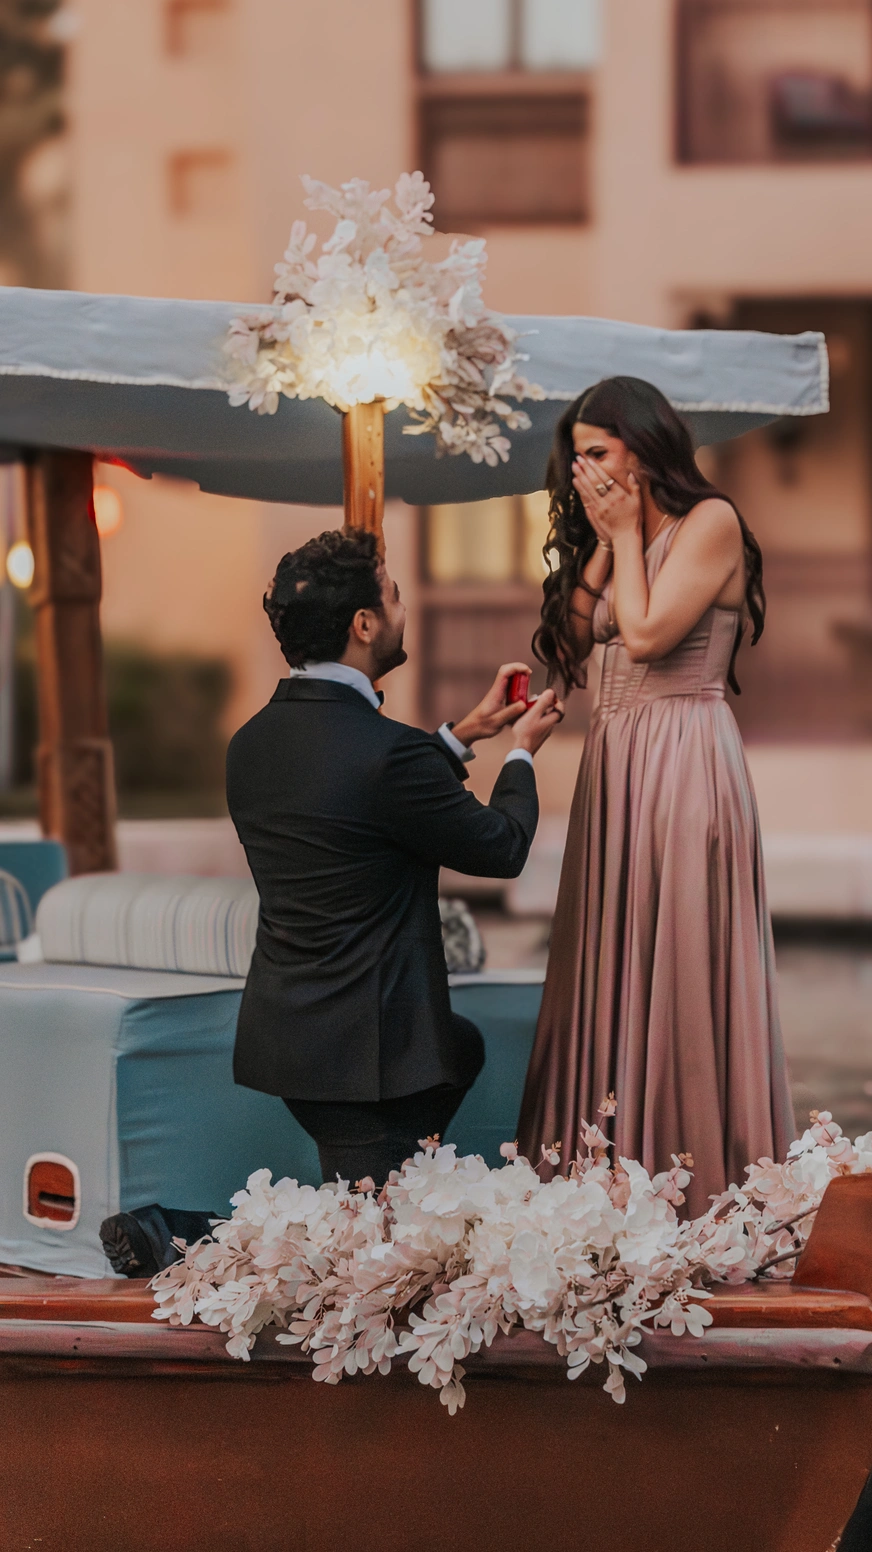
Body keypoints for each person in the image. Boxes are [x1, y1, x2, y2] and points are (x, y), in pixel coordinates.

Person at [99, 526, 561, 1277]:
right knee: (367, 1252)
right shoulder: (389, 755)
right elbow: (499, 847)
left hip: (291, 1040)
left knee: (443, 1080)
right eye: (395, 595)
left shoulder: (250, 743)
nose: (404, 610)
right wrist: (519, 754)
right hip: (373, 1057)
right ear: (365, 624)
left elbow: (346, 793)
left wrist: (460, 735)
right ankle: (174, 1232)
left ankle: (198, 1230)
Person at [517, 377, 794, 1214]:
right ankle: (596, 1182)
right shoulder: (622, 533)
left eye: (598, 453)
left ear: (642, 445)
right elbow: (571, 638)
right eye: (576, 459)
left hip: (680, 757)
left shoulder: (709, 522)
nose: (584, 472)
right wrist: (605, 542)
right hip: (615, 761)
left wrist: (628, 528)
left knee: (674, 958)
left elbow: (641, 635)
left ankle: (693, 1184)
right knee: (607, 955)